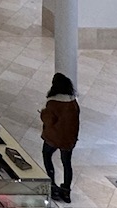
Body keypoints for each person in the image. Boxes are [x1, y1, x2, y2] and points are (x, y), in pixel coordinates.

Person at [41, 72, 81, 203]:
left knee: (47, 155)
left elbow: (49, 120)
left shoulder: (53, 102)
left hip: (54, 137)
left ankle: (52, 184)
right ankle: (66, 191)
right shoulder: (73, 103)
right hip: (68, 139)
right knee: (67, 163)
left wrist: (43, 114)